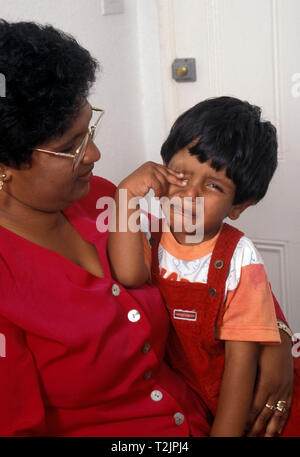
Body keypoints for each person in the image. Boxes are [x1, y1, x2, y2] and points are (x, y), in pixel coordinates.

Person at [0, 19, 293, 437]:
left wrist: (277, 337)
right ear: (6, 164)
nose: (96, 154)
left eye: (91, 131)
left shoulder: (101, 196)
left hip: (201, 413)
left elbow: (207, 257)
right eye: (71, 147)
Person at [108, 97, 300, 436]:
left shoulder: (239, 257)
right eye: (180, 174)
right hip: (195, 392)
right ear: (162, 167)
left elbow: (242, 362)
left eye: (213, 186)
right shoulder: (150, 232)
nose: (189, 194)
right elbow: (129, 274)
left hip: (249, 400)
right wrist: (126, 193)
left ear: (239, 205)